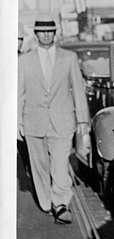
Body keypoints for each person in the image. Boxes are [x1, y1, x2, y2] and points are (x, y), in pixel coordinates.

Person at [17, 15, 90, 224]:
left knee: (59, 164)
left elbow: (78, 89)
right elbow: (19, 93)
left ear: (55, 33)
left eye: (50, 31)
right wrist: (17, 123)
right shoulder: (24, 61)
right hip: (33, 121)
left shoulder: (69, 58)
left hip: (62, 120)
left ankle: (61, 203)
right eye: (42, 31)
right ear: (36, 34)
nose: (46, 34)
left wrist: (83, 120)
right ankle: (46, 201)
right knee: (39, 166)